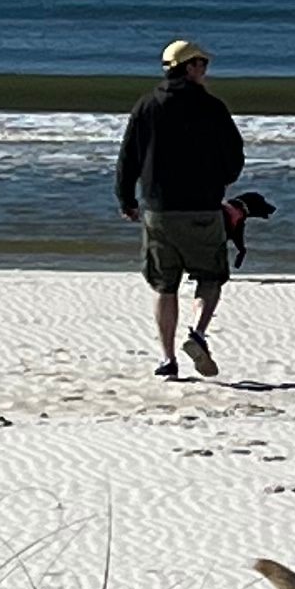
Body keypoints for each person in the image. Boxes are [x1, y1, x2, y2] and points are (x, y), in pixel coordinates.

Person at [114, 38, 247, 379]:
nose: (205, 70)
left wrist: (126, 199)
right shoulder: (212, 107)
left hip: (158, 210)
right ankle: (198, 333)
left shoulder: (146, 106)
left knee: (164, 285)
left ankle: (167, 360)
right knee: (211, 276)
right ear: (189, 68)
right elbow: (234, 155)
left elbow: (128, 157)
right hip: (201, 208)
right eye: (201, 64)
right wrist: (223, 181)